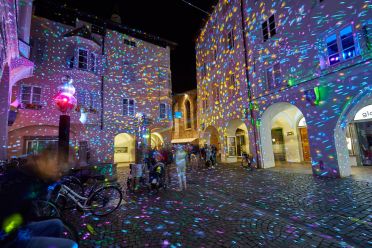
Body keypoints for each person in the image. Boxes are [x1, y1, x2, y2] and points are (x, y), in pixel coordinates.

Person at [0, 147, 77, 248]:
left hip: (20, 228)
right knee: (71, 245)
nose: (60, 172)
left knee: (56, 224)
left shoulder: (36, 175)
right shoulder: (20, 179)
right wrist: (16, 232)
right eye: (57, 166)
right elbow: (7, 216)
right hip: (8, 238)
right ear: (46, 160)